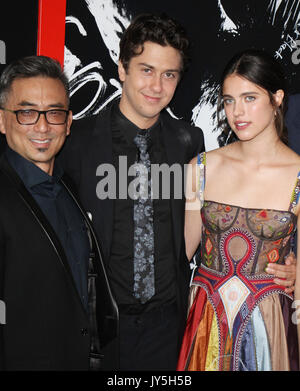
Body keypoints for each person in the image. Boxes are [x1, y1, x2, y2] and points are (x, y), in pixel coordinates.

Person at [58, 13, 205, 371]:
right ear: (122, 69)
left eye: (169, 74)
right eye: (146, 70)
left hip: (166, 326)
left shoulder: (189, 142)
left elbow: (201, 223)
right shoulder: (75, 142)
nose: (157, 86)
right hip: (100, 326)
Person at [177, 49, 300, 371]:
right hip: (205, 323)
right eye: (229, 100)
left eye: (249, 98)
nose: (237, 112)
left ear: (277, 99)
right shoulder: (201, 167)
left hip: (270, 326)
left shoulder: (299, 175)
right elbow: (180, 253)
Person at [0, 55, 118, 370]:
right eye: (26, 112)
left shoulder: (69, 185)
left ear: (68, 123)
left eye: (54, 113)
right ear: (2, 120)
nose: (42, 126)